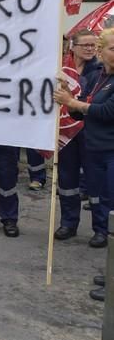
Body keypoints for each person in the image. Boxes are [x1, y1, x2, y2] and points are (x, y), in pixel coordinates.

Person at [55, 27, 114, 249]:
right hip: (70, 132)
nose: (90, 49)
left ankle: (101, 229)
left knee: (97, 187)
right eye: (85, 45)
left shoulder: (99, 69)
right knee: (67, 181)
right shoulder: (62, 67)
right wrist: (68, 101)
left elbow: (103, 109)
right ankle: (68, 223)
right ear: (73, 47)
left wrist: (72, 102)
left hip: (94, 137)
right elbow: (77, 105)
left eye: (93, 45)